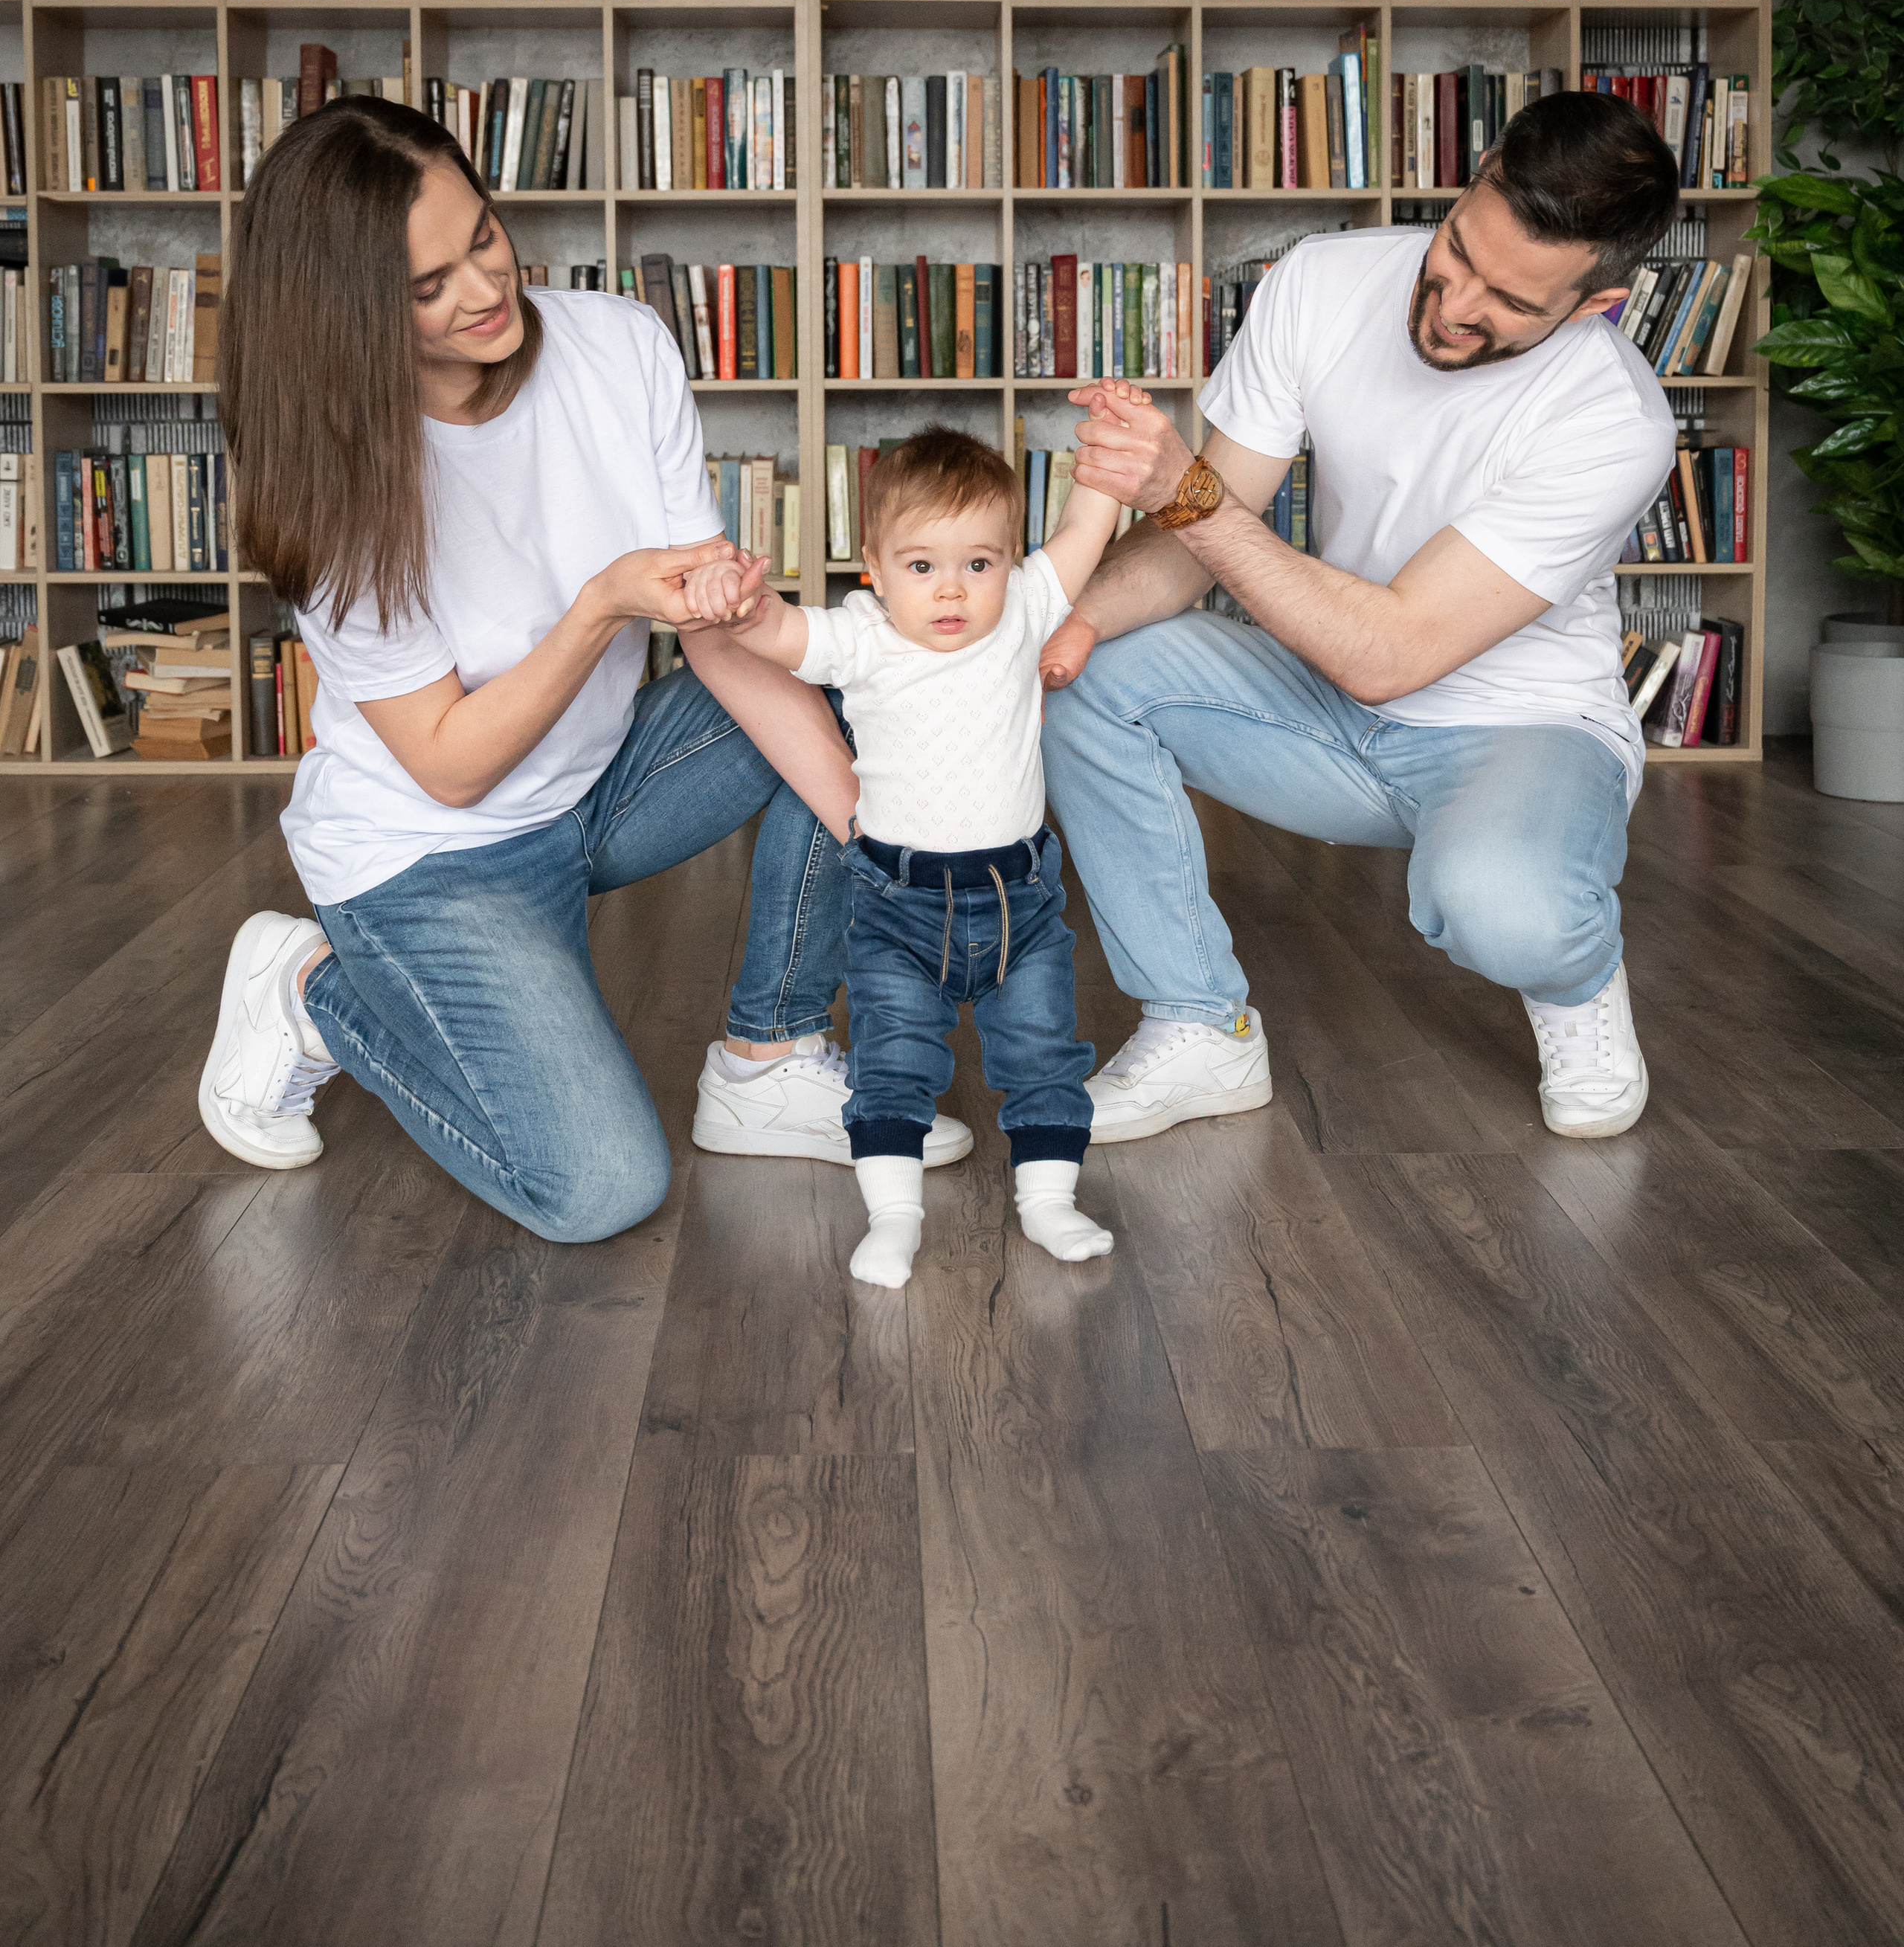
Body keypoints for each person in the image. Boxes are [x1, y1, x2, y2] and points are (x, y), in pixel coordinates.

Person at [198, 97, 970, 1242]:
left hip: (599, 789)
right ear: (349, 316)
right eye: (427, 286)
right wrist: (602, 601)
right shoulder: (334, 486)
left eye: (484, 236)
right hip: (430, 856)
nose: (482, 287)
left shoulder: (619, 345)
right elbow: (452, 767)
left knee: (870, 663)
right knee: (601, 1186)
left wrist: (888, 836)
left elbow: (718, 638)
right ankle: (311, 991)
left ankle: (770, 1058)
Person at [1038, 92, 1684, 1145]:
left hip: (1518, 726)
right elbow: (1208, 529)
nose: (1455, 304)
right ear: (1471, 176)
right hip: (1321, 703)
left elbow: (1391, 651)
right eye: (1459, 250)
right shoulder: (1324, 280)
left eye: (1511, 301)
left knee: (1502, 904)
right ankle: (1201, 1022)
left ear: (1595, 302)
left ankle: (1574, 976)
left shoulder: (1612, 419)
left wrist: (1181, 489)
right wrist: (1049, 633)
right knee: (1091, 671)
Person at [685, 420, 1128, 1288]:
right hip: (898, 908)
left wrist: (1107, 457)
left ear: (1009, 561)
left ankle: (1049, 1202)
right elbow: (778, 637)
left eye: (979, 562)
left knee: (1044, 1057)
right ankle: (892, 1218)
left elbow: (1084, 531)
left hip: (1021, 904)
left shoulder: (1026, 609)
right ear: (875, 571)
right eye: (921, 566)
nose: (952, 589)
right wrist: (743, 603)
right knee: (892, 1064)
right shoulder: (864, 636)